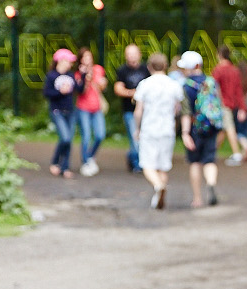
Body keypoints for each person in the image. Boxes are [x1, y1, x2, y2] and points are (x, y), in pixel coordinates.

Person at [130, 52, 184, 210]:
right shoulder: (174, 85)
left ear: (149, 67)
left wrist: (137, 128)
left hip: (149, 129)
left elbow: (138, 110)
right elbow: (177, 109)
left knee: (147, 165)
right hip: (167, 130)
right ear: (166, 66)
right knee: (163, 166)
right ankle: (159, 195)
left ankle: (158, 186)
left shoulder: (144, 84)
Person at [177, 50, 227, 207]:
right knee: (210, 160)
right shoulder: (211, 81)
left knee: (195, 162)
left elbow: (185, 112)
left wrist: (185, 133)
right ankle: (211, 183)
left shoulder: (185, 86)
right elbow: (219, 103)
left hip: (195, 129)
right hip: (211, 126)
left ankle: (197, 198)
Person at [43, 48, 83, 178]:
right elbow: (46, 93)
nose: (70, 64)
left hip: (70, 112)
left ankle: (65, 167)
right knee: (65, 138)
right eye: (68, 61)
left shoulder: (71, 75)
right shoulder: (51, 76)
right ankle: (55, 162)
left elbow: (79, 90)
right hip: (57, 112)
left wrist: (82, 76)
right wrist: (61, 92)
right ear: (60, 61)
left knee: (68, 140)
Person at [114, 44, 151, 173]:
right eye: (129, 54)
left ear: (139, 54)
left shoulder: (146, 70)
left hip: (146, 111)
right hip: (130, 110)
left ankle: (133, 157)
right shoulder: (122, 70)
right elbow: (118, 89)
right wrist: (133, 93)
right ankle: (137, 164)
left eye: (134, 54)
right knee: (135, 137)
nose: (132, 57)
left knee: (145, 137)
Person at [213, 45, 247, 166]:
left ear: (219, 54)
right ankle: (211, 153)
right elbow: (238, 91)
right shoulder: (235, 70)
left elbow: (212, 88)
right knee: (222, 130)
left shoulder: (218, 70)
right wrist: (242, 108)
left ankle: (236, 154)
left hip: (221, 104)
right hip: (231, 105)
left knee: (228, 128)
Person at [75, 48, 108, 175]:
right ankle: (85, 162)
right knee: (86, 136)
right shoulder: (78, 74)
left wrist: (101, 83)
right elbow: (80, 91)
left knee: (100, 135)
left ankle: (90, 156)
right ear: (81, 59)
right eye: (85, 57)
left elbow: (102, 87)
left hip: (97, 108)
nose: (88, 59)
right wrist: (85, 78)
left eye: (89, 56)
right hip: (83, 108)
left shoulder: (98, 69)